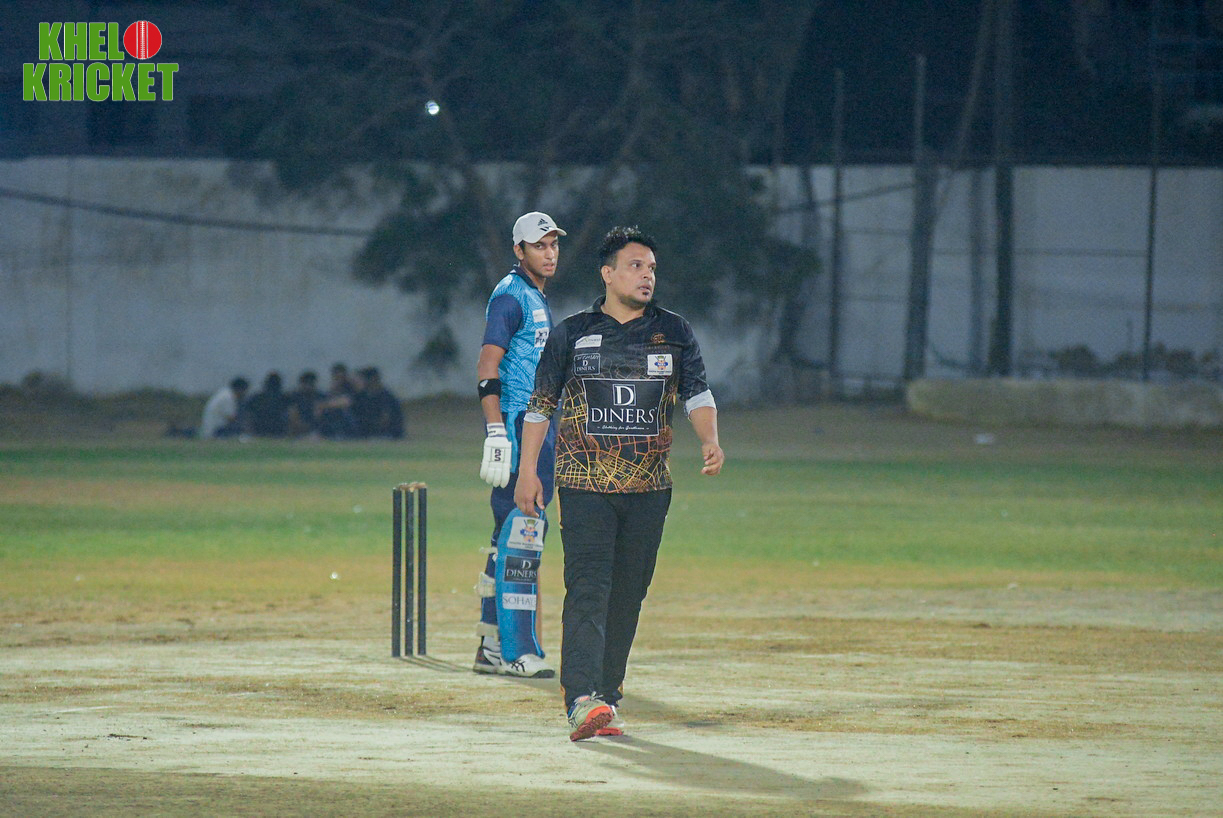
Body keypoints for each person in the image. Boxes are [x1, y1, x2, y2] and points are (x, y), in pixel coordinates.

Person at [515, 226, 724, 741]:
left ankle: (606, 696)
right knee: (589, 588)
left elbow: (697, 393)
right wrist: (527, 471)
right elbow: (541, 405)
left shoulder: (674, 331)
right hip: (584, 485)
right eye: (635, 266)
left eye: (651, 268)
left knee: (628, 595)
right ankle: (580, 698)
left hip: (649, 489)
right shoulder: (573, 332)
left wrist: (710, 440)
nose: (646, 275)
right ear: (607, 274)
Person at [473, 211, 566, 679]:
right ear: (519, 250)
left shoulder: (534, 294)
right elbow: (487, 366)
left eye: (553, 244)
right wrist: (496, 431)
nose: (549, 253)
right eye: (539, 245)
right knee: (522, 533)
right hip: (516, 424)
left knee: (509, 537)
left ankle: (492, 647)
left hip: (537, 423)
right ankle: (517, 651)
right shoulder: (511, 296)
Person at [352, 366, 405, 439]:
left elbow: (385, 420)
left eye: (362, 379)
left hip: (388, 434)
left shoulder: (386, 397)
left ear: (373, 379)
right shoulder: (362, 396)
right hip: (370, 434)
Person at [317, 362, 359, 439]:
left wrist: (324, 405)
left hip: (349, 423)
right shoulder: (330, 392)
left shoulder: (351, 389)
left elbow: (346, 401)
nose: (338, 380)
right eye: (336, 377)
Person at [245, 371, 289, 437]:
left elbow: (248, 416)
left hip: (260, 430)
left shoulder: (256, 397)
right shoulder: (285, 398)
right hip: (277, 430)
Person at [287, 370, 325, 437]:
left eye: (310, 383)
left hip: (315, 429)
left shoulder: (319, 396)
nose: (308, 386)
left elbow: (320, 416)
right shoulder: (294, 397)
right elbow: (292, 414)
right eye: (306, 383)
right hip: (297, 429)